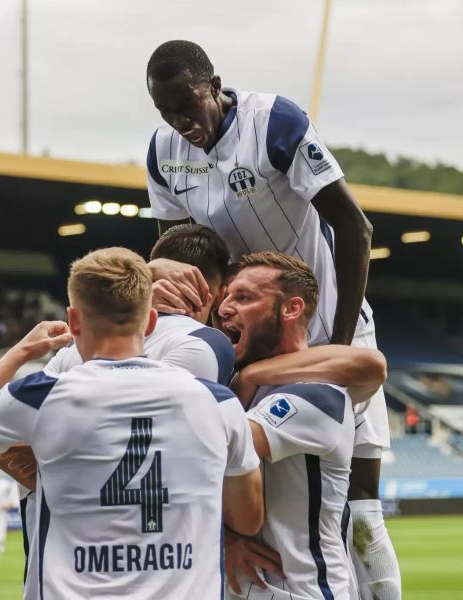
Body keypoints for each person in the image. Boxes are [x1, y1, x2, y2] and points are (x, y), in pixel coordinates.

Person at [144, 40, 399, 598]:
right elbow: (176, 251)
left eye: (188, 106)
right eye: (165, 112)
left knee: (360, 514)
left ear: (214, 85)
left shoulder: (274, 122)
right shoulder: (163, 152)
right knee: (245, 477)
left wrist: (330, 339)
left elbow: (355, 230)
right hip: (246, 333)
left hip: (328, 325)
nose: (180, 122)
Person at [0, 247, 264, 599]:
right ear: (150, 321)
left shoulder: (41, 395)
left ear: (74, 321)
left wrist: (21, 352)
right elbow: (247, 519)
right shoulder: (218, 402)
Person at [220, 252, 383, 600]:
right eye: (226, 297)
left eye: (244, 297)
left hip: (300, 591)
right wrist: (227, 535)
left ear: (291, 309)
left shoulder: (319, 396)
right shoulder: (242, 381)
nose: (223, 309)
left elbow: (217, 447)